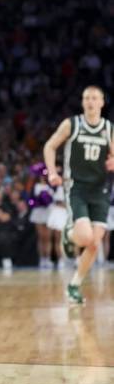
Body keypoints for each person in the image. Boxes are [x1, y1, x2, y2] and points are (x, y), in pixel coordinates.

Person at [44, 85, 114, 304]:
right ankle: (68, 235)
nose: (90, 102)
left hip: (101, 190)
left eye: (94, 98)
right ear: (83, 102)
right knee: (85, 238)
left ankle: (74, 284)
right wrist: (53, 173)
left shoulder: (109, 129)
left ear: (102, 102)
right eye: (86, 98)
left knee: (95, 243)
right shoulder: (71, 124)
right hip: (77, 187)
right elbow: (49, 146)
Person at [30, 175, 54, 268]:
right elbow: (31, 200)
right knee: (41, 237)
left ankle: (48, 258)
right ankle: (41, 259)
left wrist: (47, 199)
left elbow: (54, 198)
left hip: (48, 212)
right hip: (38, 212)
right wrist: (39, 201)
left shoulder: (51, 185)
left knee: (48, 237)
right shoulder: (35, 186)